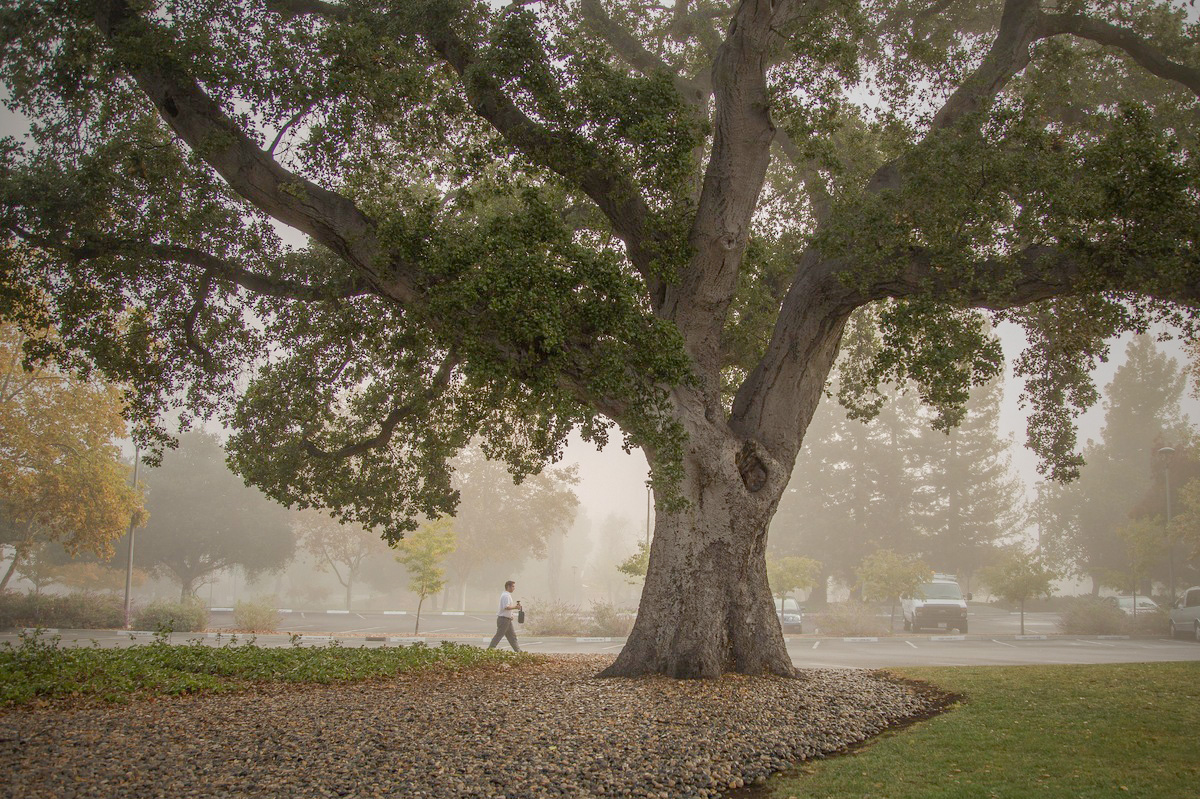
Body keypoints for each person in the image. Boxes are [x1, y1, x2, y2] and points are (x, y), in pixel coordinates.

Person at [488, 580, 521, 652]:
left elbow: (507, 609)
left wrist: (511, 615)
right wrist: (516, 607)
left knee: (512, 637)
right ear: (508, 587)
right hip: (503, 620)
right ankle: (490, 650)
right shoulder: (505, 596)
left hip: (507, 620)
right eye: (513, 586)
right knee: (499, 636)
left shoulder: (507, 595)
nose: (514, 588)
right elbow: (506, 607)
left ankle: (519, 652)